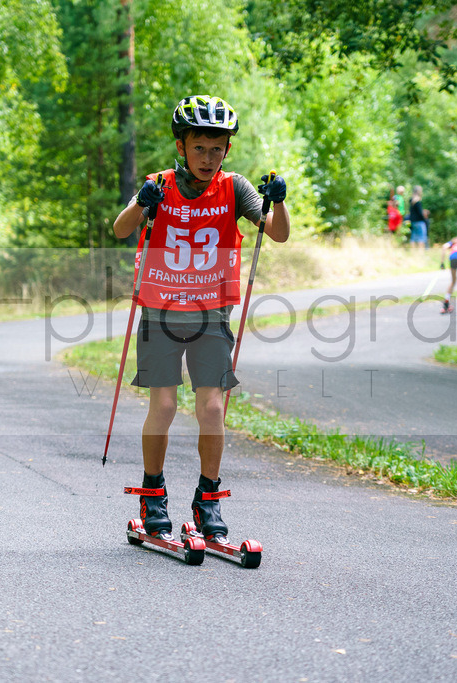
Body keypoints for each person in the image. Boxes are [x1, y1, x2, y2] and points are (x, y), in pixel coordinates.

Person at [112, 95, 291, 543]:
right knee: (164, 406)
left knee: (212, 407)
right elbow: (120, 229)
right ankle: (153, 494)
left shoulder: (235, 188)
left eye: (217, 149)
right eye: (199, 148)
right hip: (161, 310)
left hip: (212, 312)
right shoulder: (159, 184)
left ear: (226, 149)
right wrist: (141, 203)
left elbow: (278, 233)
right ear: (181, 146)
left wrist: (279, 203)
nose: (208, 158)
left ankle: (207, 500)